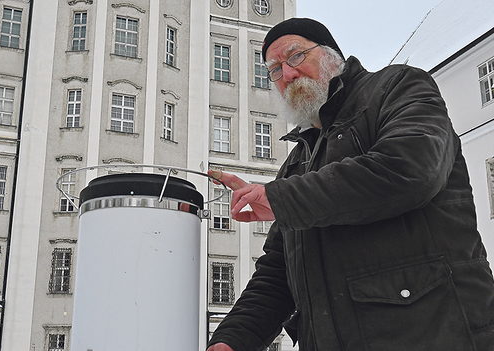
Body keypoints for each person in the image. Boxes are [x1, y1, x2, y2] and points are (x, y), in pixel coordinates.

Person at [206, 18, 494, 351]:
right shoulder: (296, 164)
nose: (287, 75)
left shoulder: (396, 87)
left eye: (295, 56)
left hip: (435, 335)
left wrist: (283, 199)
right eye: (274, 70)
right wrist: (230, 341)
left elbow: (410, 169)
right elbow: (277, 274)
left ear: (332, 56)